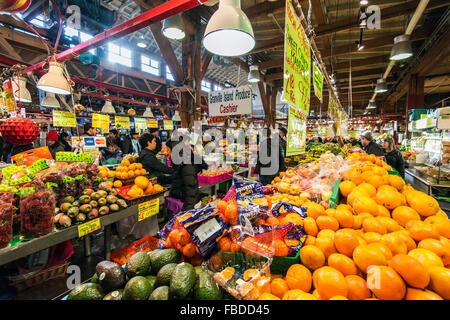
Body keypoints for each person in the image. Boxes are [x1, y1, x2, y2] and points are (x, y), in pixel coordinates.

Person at [166, 136, 208, 211]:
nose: (167, 152)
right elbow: (179, 178)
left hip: (186, 204)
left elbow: (191, 190)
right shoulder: (180, 162)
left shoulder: (186, 164)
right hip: (181, 200)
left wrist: (187, 210)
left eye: (168, 149)